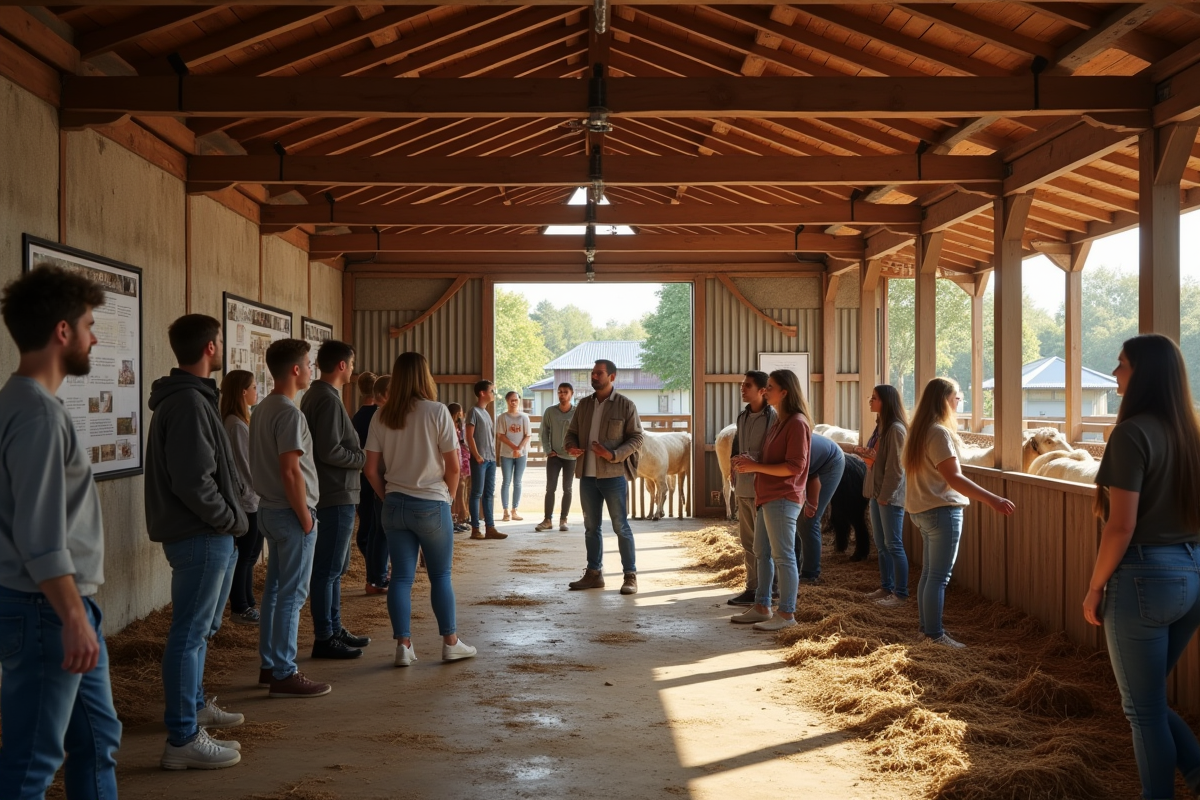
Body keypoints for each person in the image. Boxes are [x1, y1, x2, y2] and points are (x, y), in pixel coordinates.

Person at [0, 267, 122, 797]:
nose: (96, 337)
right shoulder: (38, 417)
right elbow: (41, 535)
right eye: (90, 324)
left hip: (57, 607)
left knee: (97, 740)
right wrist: (72, 615)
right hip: (46, 607)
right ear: (63, 331)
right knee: (34, 761)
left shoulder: (20, 404)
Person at [1082, 335, 1200, 799]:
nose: (1114, 373)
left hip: (1145, 579)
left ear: (1143, 374)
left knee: (1142, 710)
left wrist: (1095, 587)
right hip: (1193, 573)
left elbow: (1120, 526)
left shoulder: (1132, 434)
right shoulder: (1191, 433)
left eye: (1122, 364)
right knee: (1148, 700)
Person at [145, 314, 248, 769]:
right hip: (201, 534)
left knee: (198, 632)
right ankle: (183, 738)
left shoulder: (192, 397)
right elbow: (193, 479)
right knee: (188, 634)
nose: (223, 346)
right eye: (221, 340)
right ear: (210, 347)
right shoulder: (188, 402)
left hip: (204, 533)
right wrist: (228, 519)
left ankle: (195, 708)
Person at [364, 352, 477, 665]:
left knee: (401, 577)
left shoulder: (382, 415)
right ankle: (450, 642)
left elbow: (371, 469)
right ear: (425, 376)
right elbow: (453, 467)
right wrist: (449, 498)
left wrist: (387, 496)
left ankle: (403, 645)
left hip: (395, 504)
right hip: (431, 502)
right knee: (440, 576)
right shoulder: (437, 412)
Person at [904, 377, 1014, 648]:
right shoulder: (938, 433)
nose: (958, 403)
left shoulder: (919, 432)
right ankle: (934, 634)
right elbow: (954, 478)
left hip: (922, 511)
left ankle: (926, 630)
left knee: (930, 574)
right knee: (938, 577)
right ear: (944, 400)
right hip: (942, 511)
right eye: (957, 398)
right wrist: (993, 499)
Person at [250, 339, 331, 698]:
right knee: (293, 596)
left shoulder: (263, 408)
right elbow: (291, 471)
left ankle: (270, 665)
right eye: (309, 364)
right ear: (295, 370)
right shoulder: (288, 413)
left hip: (267, 509)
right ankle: (284, 670)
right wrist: (306, 517)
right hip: (290, 512)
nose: (312, 370)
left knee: (274, 592)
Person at [300, 340, 370, 660]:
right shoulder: (326, 400)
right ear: (342, 365)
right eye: (352, 364)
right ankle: (324, 636)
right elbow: (329, 450)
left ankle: (335, 627)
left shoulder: (322, 395)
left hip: (335, 491)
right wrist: (361, 458)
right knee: (328, 569)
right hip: (335, 491)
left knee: (336, 567)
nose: (353, 369)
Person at [729, 369, 811, 631]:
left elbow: (795, 466)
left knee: (783, 556)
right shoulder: (779, 422)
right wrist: (752, 464)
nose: (766, 390)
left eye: (771, 387)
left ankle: (787, 614)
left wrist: (756, 467)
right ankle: (763, 606)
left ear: (785, 392)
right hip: (767, 495)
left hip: (784, 496)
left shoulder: (797, 422)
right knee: (762, 552)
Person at [564, 359, 644, 595]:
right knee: (591, 527)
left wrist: (612, 454)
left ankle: (630, 576)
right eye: (593, 373)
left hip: (613, 475)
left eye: (599, 373)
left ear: (612, 377)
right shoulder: (583, 405)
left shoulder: (625, 405)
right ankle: (594, 574)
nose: (594, 376)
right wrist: (570, 446)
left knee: (621, 526)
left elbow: (637, 438)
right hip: (586, 476)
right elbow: (572, 433)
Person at [727, 371, 775, 606]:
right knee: (747, 542)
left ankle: (770, 589)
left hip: (764, 488)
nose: (742, 389)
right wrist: (733, 469)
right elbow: (737, 447)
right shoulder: (742, 417)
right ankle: (752, 587)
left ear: (762, 390)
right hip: (743, 488)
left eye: (747, 385)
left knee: (764, 545)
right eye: (742, 385)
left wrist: (753, 459)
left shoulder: (773, 418)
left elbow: (776, 452)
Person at [860, 384, 910, 608]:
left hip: (888, 496)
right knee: (881, 544)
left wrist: (886, 495)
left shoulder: (896, 430)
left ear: (886, 402)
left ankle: (901, 593)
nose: (871, 401)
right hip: (877, 491)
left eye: (875, 398)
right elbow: (881, 460)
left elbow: (897, 468)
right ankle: (886, 586)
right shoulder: (881, 427)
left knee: (893, 544)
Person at [221, 370, 264, 625]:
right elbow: (245, 465)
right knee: (246, 555)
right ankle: (239, 606)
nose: (256, 391)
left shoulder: (239, 421)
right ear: (242, 392)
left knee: (250, 554)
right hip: (248, 499)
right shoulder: (236, 424)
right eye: (254, 387)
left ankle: (247, 602)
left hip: (251, 497)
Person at [352, 372, 389, 595]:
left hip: (363, 477)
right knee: (378, 530)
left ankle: (376, 574)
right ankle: (377, 575)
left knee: (371, 527)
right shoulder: (379, 416)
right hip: (376, 475)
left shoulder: (357, 416)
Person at [797, 432, 844, 584]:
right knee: (795, 518)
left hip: (829, 464)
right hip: (813, 465)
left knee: (808, 520)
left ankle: (810, 574)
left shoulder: (798, 447)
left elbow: (813, 478)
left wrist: (812, 503)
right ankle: (794, 566)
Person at [466, 380, 505, 540]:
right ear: (482, 393)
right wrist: (476, 455)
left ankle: (490, 527)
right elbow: (469, 435)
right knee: (476, 492)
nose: (493, 394)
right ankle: (475, 528)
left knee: (488, 493)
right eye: (491, 391)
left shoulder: (487, 413)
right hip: (480, 459)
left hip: (490, 459)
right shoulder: (473, 412)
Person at [536, 383, 576, 533]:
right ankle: (547, 520)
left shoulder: (577, 412)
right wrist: (547, 449)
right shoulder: (550, 412)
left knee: (567, 488)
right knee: (550, 488)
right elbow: (543, 432)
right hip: (554, 455)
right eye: (559, 392)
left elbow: (583, 432)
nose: (562, 395)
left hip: (570, 457)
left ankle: (563, 519)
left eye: (565, 392)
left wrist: (577, 450)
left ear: (571, 394)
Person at [497, 391, 531, 522]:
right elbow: (500, 435)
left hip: (521, 454)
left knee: (518, 482)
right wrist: (514, 447)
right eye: (511, 400)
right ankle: (505, 511)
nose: (514, 402)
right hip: (506, 453)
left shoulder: (524, 417)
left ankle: (514, 510)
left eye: (516, 400)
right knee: (506, 481)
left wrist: (520, 448)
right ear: (507, 401)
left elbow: (527, 435)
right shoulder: (502, 417)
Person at [447, 403, 472, 533]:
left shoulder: (458, 426)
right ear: (458, 413)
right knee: (456, 488)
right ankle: (456, 516)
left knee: (461, 487)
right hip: (455, 457)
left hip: (461, 457)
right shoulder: (449, 425)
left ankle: (460, 517)